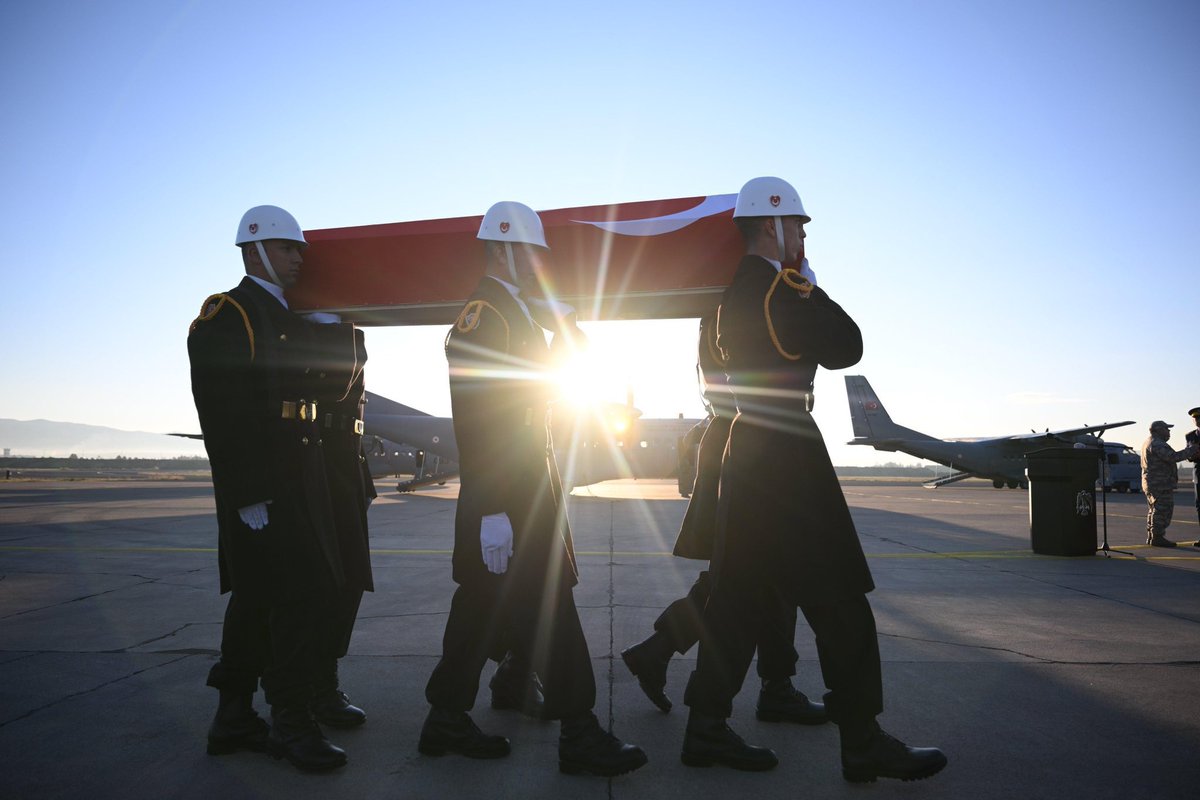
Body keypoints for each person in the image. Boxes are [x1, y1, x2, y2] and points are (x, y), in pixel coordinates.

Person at [680, 177, 946, 784]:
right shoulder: (783, 291)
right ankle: (862, 741)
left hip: (741, 456)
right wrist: (811, 286)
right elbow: (847, 347)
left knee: (738, 603)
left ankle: (705, 729)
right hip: (788, 458)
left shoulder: (721, 301)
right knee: (842, 603)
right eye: (797, 226)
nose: (801, 236)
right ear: (772, 226)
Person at [418, 201, 647, 777]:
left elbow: (571, 370)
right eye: (529, 253)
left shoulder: (517, 313)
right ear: (501, 249)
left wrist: (563, 319)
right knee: (551, 606)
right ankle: (580, 731)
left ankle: (447, 716)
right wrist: (492, 508)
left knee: (477, 606)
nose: (538, 265)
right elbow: (479, 420)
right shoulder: (485, 315)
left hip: (525, 486)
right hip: (508, 494)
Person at [188, 205, 361, 772]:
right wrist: (246, 493)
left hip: (301, 474)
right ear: (255, 249)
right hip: (264, 483)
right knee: (294, 601)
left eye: (299, 249)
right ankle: (290, 721)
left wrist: (342, 332)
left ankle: (234, 717)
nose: (298, 258)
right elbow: (221, 413)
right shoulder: (229, 313)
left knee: (260, 599)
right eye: (288, 248)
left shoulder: (290, 315)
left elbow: (332, 396)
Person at [621, 310, 827, 728]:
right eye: (797, 236)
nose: (801, 240)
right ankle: (768, 691)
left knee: (754, 577)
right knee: (751, 578)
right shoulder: (748, 301)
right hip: (752, 448)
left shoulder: (732, 300)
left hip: (745, 442)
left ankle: (665, 654)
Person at [307, 315, 375, 728]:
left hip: (347, 467)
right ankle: (307, 691)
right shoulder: (298, 328)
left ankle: (323, 682)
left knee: (349, 582)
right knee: (316, 587)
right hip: (314, 464)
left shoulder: (345, 329)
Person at [1140, 420, 1195, 548]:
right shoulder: (1157, 444)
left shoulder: (1149, 442)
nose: (1169, 431)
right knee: (1162, 510)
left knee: (1154, 510)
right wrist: (1191, 450)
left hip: (1152, 483)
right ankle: (1157, 537)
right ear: (1159, 430)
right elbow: (1173, 457)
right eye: (1166, 429)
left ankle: (1152, 536)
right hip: (1160, 483)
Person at [1187, 407, 1200, 544]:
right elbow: (1188, 454)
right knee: (1199, 506)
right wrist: (1192, 456)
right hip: (1198, 472)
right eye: (1196, 418)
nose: (1198, 420)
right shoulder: (1190, 436)